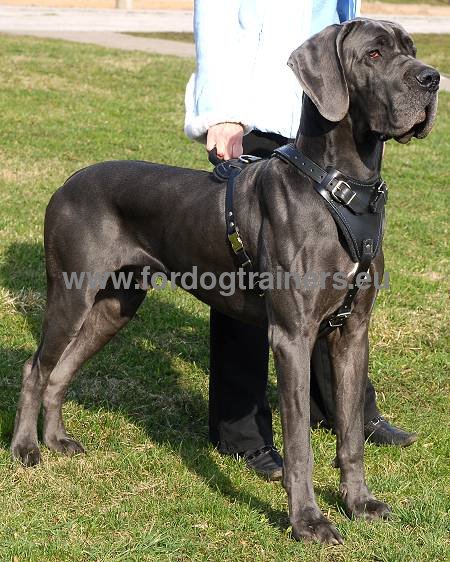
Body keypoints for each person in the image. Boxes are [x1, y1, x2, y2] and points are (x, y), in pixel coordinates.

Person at [184, 0, 417, 480]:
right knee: (243, 282)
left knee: (336, 281)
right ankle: (242, 434)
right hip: (261, 107)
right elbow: (217, 15)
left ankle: (339, 409)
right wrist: (222, 110)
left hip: (337, 109)